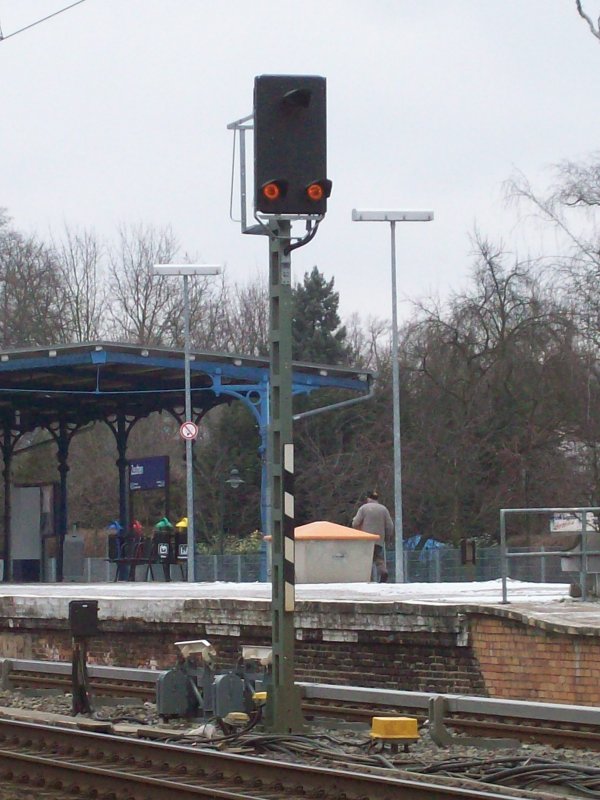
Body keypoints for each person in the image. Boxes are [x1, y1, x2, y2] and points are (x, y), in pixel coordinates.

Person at [352, 490, 393, 582]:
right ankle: (383, 571)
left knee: (366, 558)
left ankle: (367, 578)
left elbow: (355, 523)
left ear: (368, 498)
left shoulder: (363, 508)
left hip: (365, 539)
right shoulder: (384, 509)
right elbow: (390, 526)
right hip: (379, 539)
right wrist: (387, 538)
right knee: (377, 556)